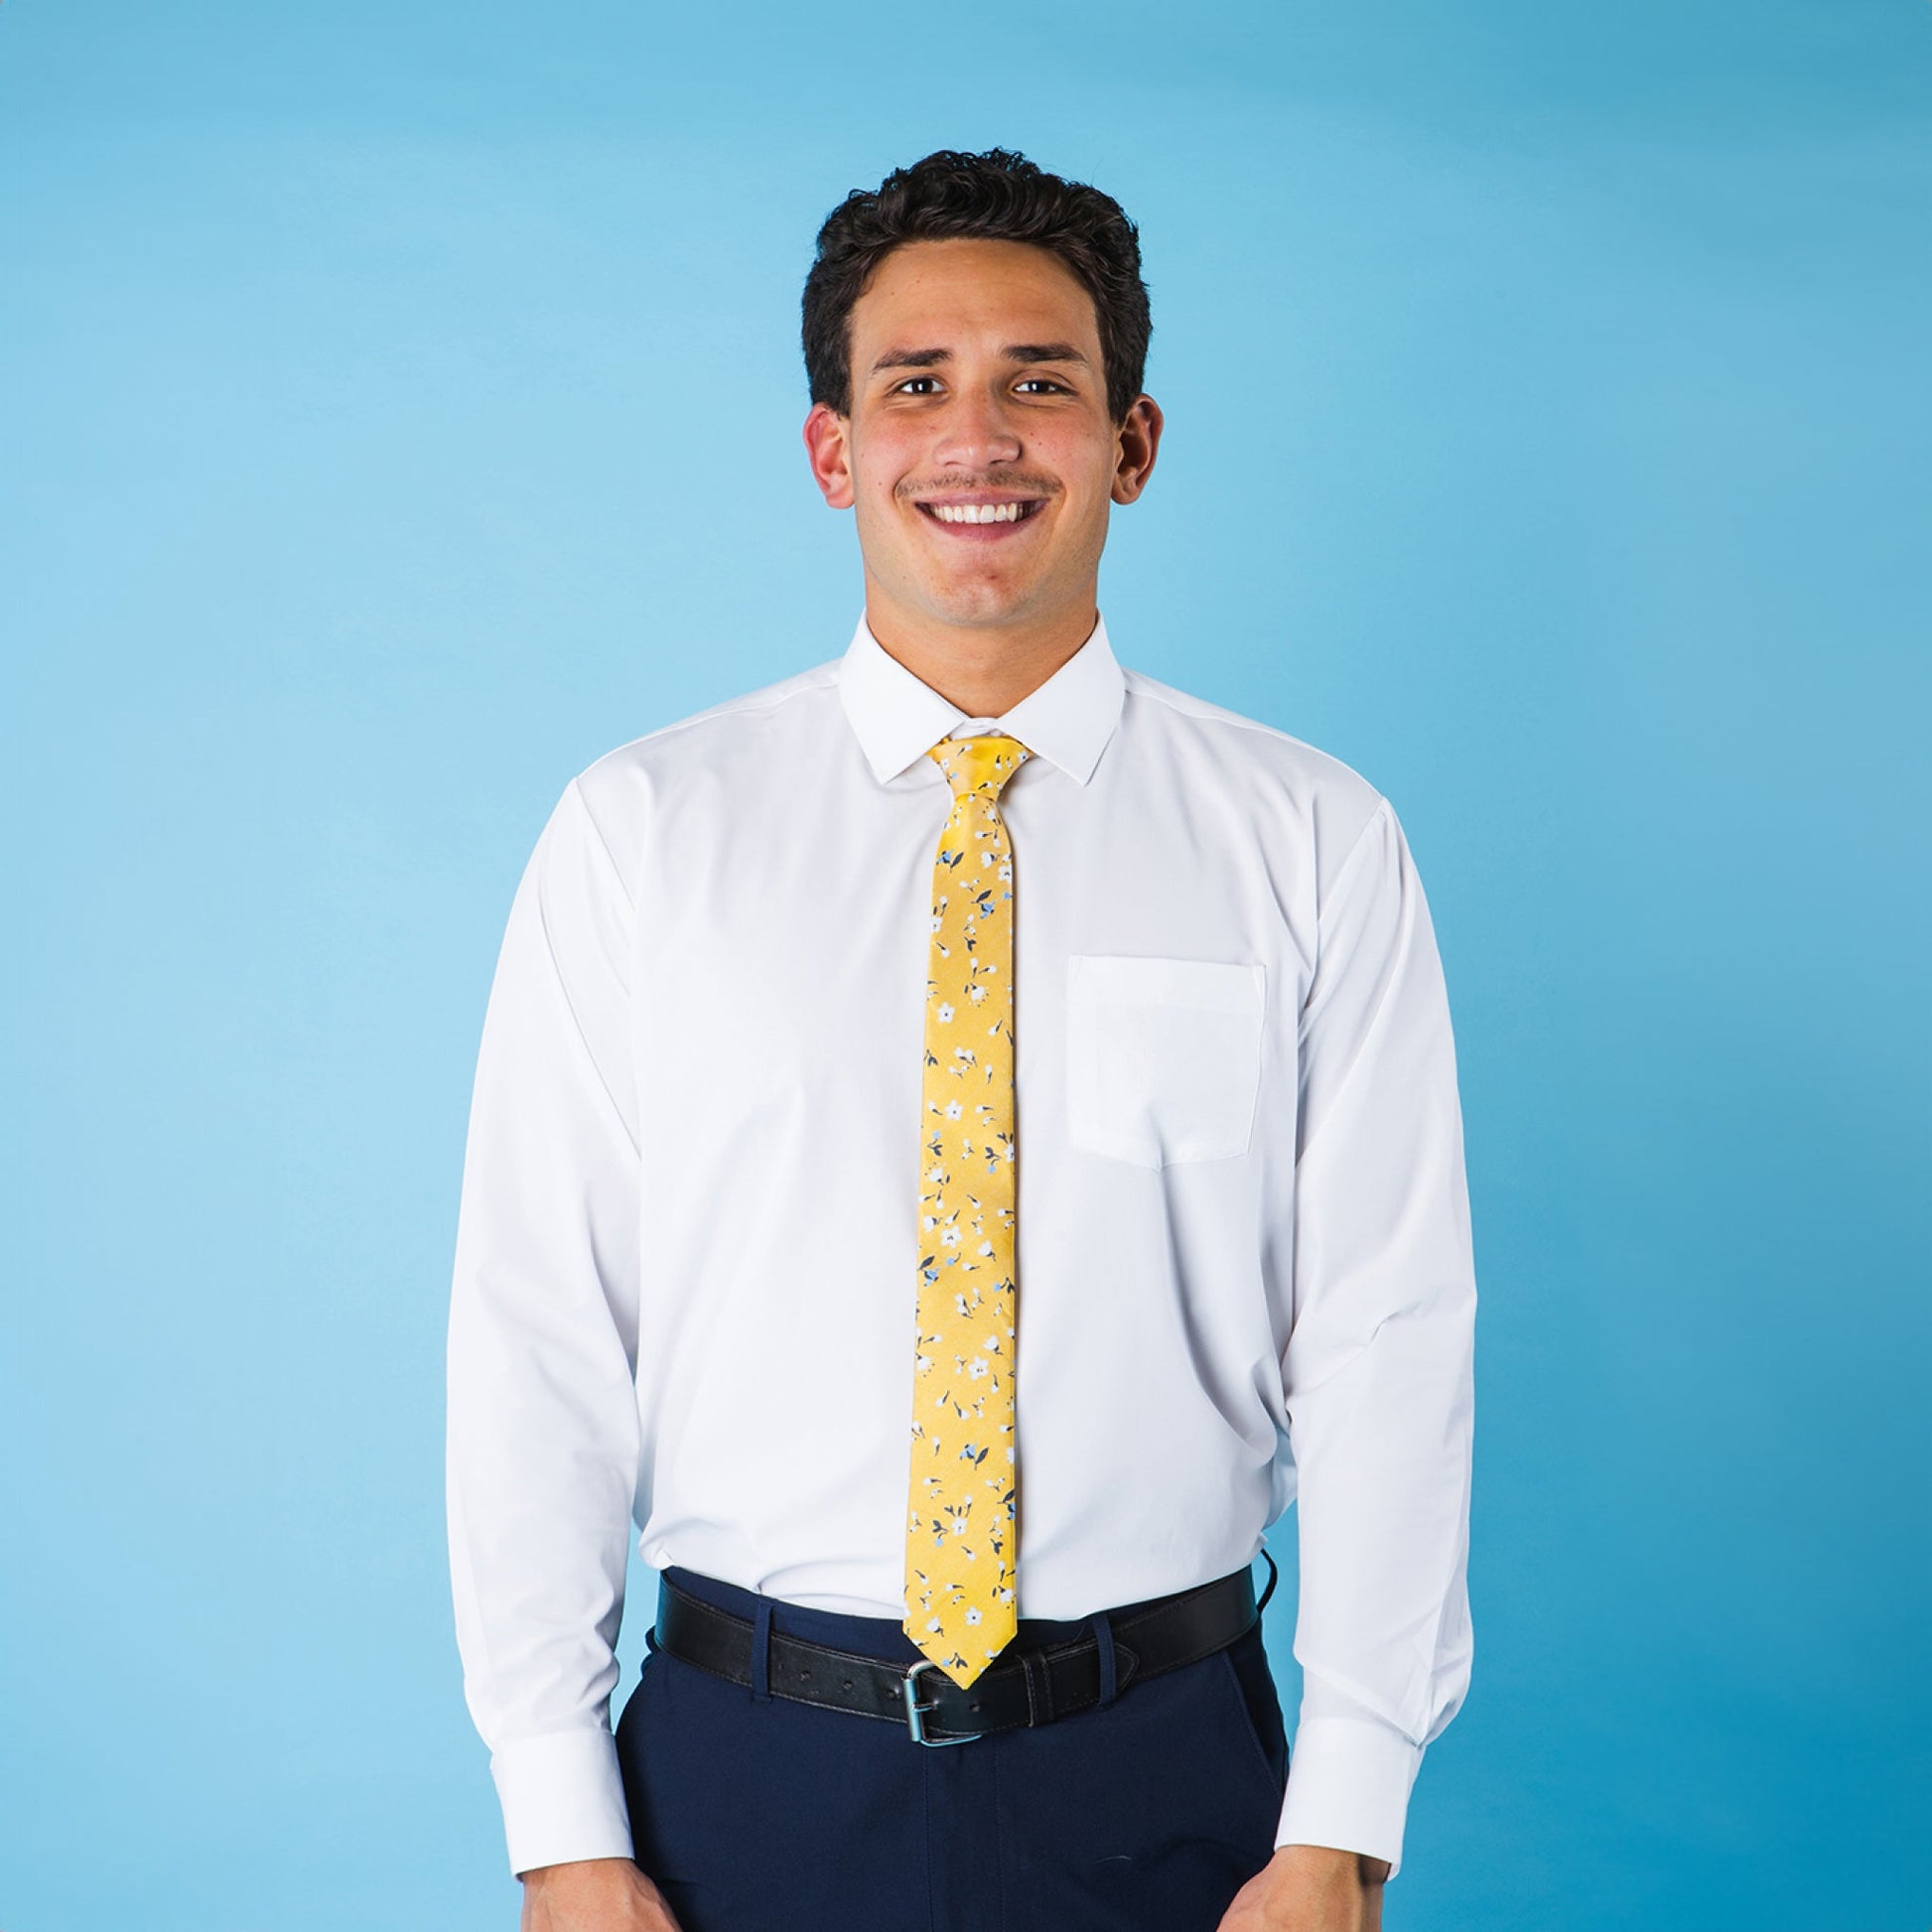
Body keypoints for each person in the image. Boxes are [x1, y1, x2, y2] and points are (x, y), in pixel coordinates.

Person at [446, 147, 1476, 1932]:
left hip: (1168, 1772)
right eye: (914, 384)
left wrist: (1344, 1814)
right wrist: (560, 1822)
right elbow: (540, 1331)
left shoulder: (1310, 835)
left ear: (1130, 444)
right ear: (835, 451)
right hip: (735, 1779)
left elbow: (1385, 1333)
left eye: (1038, 385)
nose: (975, 437)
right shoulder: (642, 830)